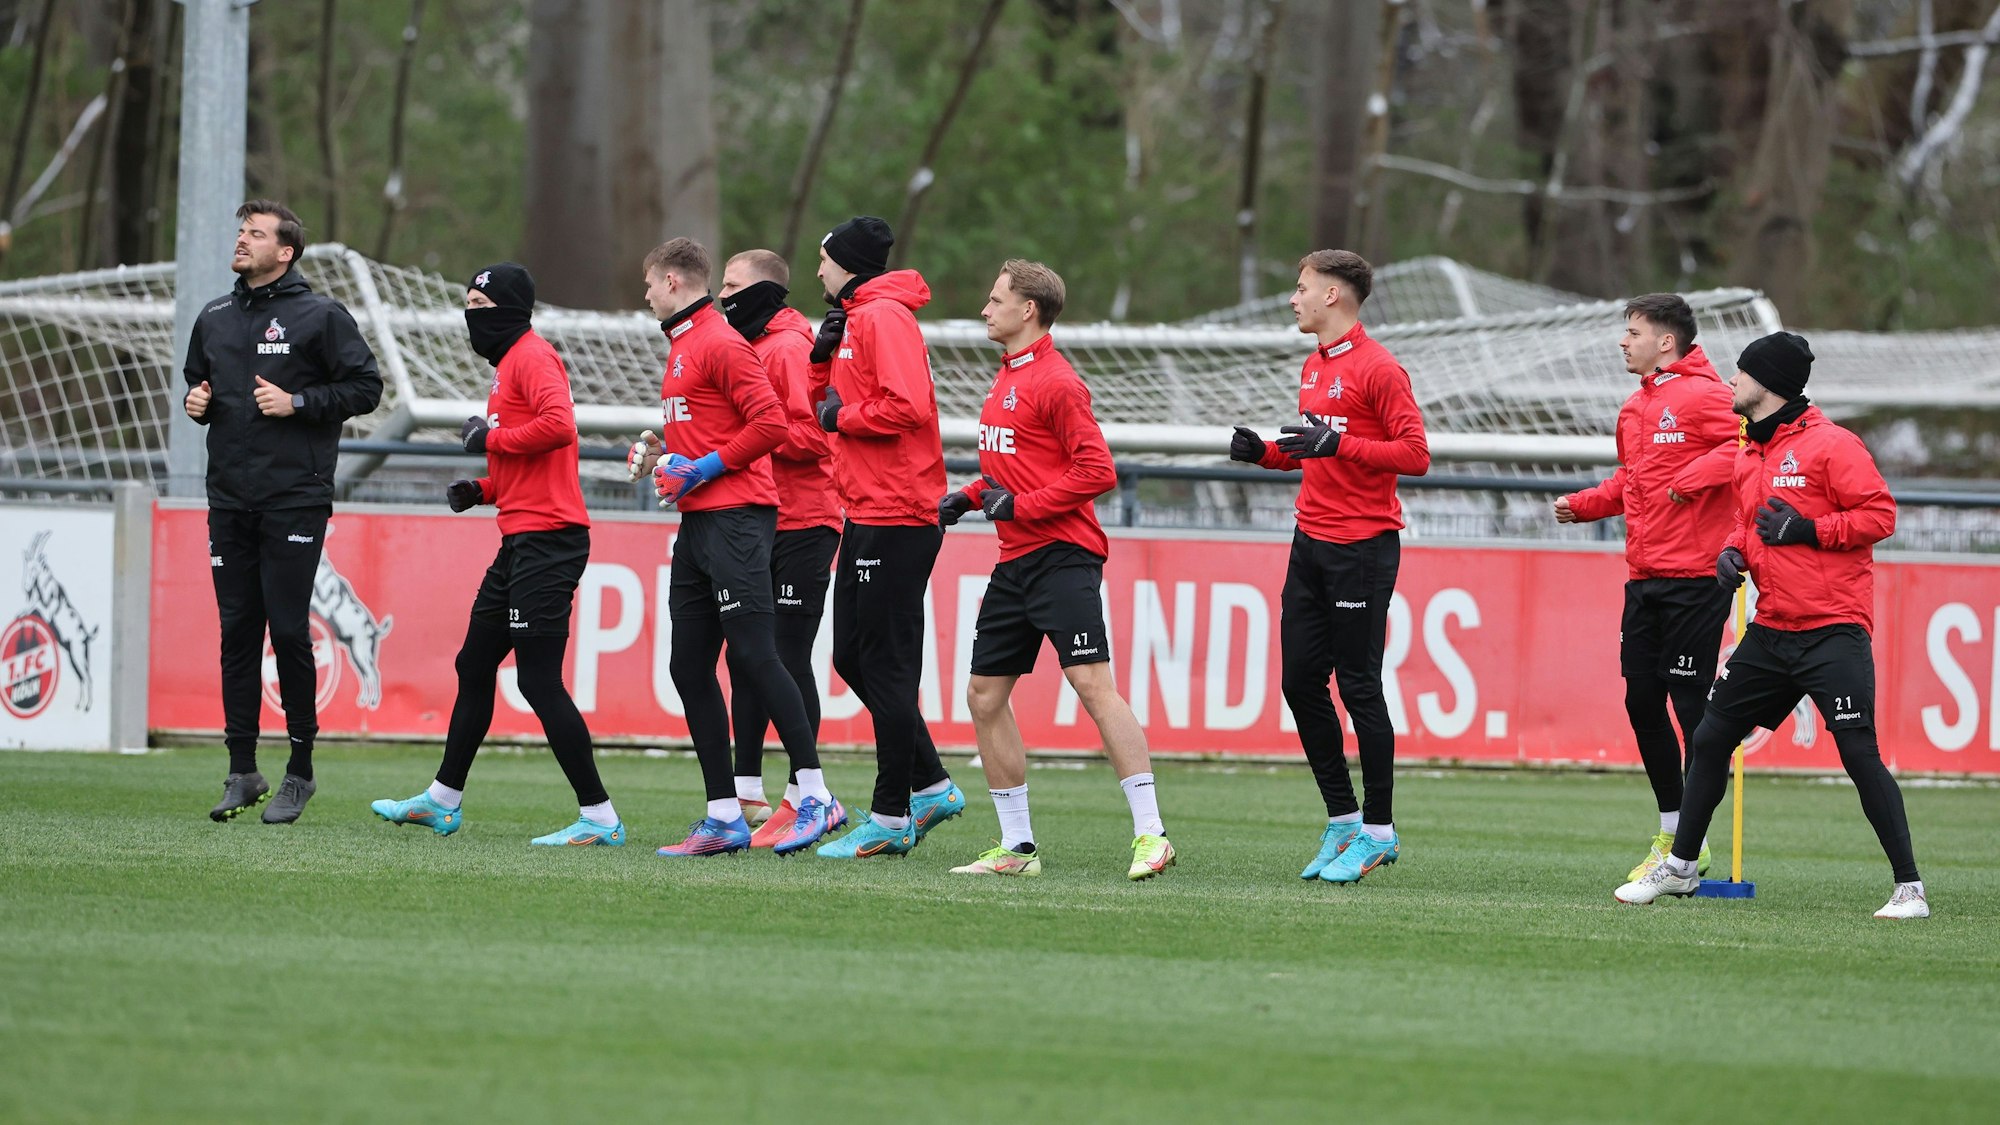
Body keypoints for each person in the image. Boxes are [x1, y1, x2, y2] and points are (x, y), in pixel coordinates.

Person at [1616, 332, 1930, 919]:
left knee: (1858, 753)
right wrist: (1732, 550)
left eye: (1741, 373)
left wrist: (1810, 530)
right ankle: (1681, 867)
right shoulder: (1749, 451)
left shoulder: (1833, 444)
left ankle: (1910, 889)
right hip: (1772, 629)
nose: (1732, 382)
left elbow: (1880, 515)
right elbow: (1746, 521)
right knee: (1710, 738)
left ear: (1769, 383)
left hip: (1832, 630)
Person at [368, 263, 624, 846]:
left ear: (510, 309)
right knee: (474, 665)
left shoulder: (532, 357)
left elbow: (559, 427)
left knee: (538, 681)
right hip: (522, 538)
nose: (471, 316)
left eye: (480, 305)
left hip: (549, 540)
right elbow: (528, 463)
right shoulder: (508, 365)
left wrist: (488, 439)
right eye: (468, 305)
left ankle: (601, 816)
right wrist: (483, 489)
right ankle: (442, 801)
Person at [939, 259, 1174, 881]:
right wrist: (968, 497)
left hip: (1063, 556)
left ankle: (1152, 835)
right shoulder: (1006, 375)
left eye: (996, 300)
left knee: (1092, 685)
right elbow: (1014, 468)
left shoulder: (1058, 381)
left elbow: (1097, 471)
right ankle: (1017, 848)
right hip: (1015, 560)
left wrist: (1019, 506)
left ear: (1028, 311)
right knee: (984, 696)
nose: (985, 309)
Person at [626, 238, 843, 858]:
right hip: (699, 523)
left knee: (756, 654)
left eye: (649, 284)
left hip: (739, 520)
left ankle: (816, 795)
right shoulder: (684, 344)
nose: (646, 295)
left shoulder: (719, 341)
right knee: (687, 666)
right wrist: (666, 455)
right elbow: (715, 428)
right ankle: (724, 815)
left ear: (672, 281)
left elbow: (771, 423)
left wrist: (705, 467)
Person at [1230, 249, 1429, 884]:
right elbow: (1315, 451)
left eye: (1301, 288)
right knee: (1299, 683)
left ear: (1333, 296)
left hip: (1362, 548)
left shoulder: (1380, 368)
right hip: (1309, 542)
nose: (1294, 299)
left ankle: (1380, 832)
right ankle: (1343, 820)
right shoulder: (1315, 364)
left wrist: (1339, 442)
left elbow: (1415, 454)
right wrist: (1266, 453)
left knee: (1359, 687)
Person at [182, 199, 381, 824]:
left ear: (285, 252)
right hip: (228, 499)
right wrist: (196, 402)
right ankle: (242, 771)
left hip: (294, 497)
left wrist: (298, 402)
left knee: (290, 630)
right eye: (240, 231)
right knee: (238, 631)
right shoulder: (213, 316)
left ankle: (300, 771)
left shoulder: (321, 315)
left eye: (256, 233)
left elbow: (366, 388)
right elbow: (199, 385)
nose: (242, 240)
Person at [1554, 294, 1738, 881]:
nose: (1623, 341)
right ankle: (1674, 828)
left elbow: (1748, 444)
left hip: (1697, 578)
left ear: (1666, 340)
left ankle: (1688, 843)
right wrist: (1586, 505)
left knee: (1690, 707)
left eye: (1633, 332)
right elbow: (1633, 482)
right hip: (1645, 578)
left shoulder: (1708, 395)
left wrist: (1696, 474)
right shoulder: (1636, 406)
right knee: (1641, 702)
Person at [805, 215, 966, 859]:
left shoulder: (883, 317)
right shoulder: (856, 319)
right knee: (852, 658)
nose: (817, 269)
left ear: (846, 262)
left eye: (823, 258)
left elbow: (907, 407)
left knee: (886, 667)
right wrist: (820, 363)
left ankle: (891, 814)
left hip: (897, 513)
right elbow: (823, 412)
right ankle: (931, 786)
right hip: (867, 509)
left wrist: (843, 414)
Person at [715, 248, 846, 847]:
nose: (723, 295)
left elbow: (816, 437)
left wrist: (744, 437)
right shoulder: (755, 343)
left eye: (731, 285)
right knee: (748, 654)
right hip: (767, 519)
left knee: (786, 658)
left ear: (763, 290)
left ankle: (803, 796)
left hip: (804, 521)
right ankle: (747, 789)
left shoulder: (789, 347)